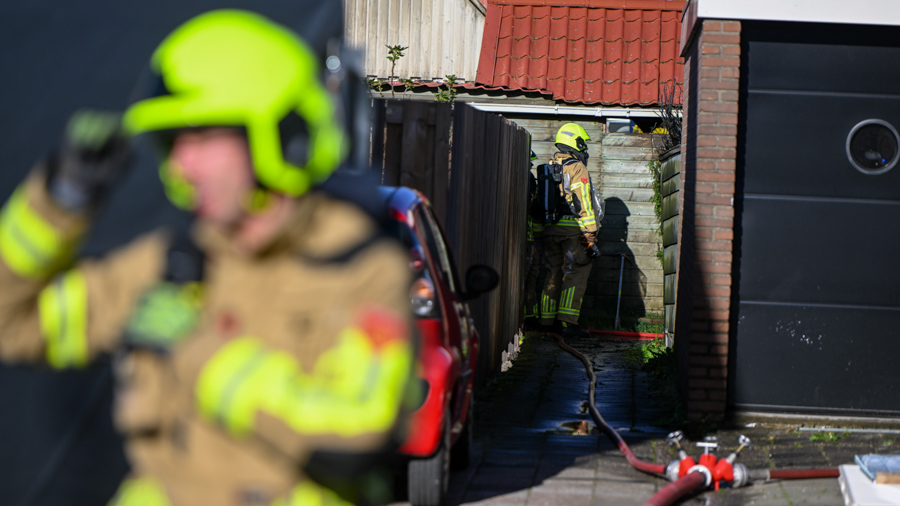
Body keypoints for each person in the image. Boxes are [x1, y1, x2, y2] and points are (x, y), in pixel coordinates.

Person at [0, 9, 415, 506]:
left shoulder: (360, 269)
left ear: (279, 132)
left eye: (199, 137)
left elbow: (359, 433)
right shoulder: (163, 262)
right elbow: (14, 327)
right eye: (173, 143)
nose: (180, 163)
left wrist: (197, 348)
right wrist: (54, 207)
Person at [539, 123, 600, 339]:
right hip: (572, 230)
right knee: (575, 272)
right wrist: (590, 233)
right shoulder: (577, 168)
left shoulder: (548, 167)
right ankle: (567, 322)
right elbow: (583, 202)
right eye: (583, 146)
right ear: (576, 143)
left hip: (549, 230)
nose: (585, 151)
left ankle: (546, 322)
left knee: (552, 273)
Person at [523, 150, 543, 330]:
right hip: (523, 241)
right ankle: (526, 318)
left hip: (531, 240)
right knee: (525, 279)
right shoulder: (525, 181)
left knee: (531, 279)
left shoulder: (529, 180)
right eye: (529, 162)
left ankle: (530, 318)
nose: (531, 166)